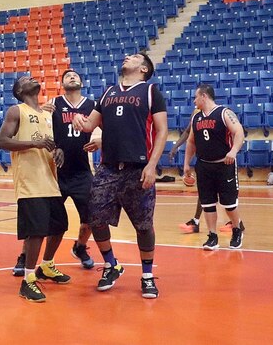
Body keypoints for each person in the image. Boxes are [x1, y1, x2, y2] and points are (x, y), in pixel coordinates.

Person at [72, 52, 167, 299]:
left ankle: (147, 276)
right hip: (108, 168)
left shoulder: (150, 91)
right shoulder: (108, 92)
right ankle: (111, 264)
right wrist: (78, 120)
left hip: (138, 168)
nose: (127, 57)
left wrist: (152, 165)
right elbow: (90, 125)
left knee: (144, 226)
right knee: (95, 218)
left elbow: (162, 131)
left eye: (134, 57)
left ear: (144, 68)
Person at [0, 75, 70, 303]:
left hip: (50, 181)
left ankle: (46, 266)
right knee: (36, 232)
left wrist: (58, 151)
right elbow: (2, 141)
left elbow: (48, 143)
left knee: (60, 227)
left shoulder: (47, 114)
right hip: (30, 183)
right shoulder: (16, 111)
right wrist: (34, 144)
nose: (32, 78)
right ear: (20, 90)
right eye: (26, 79)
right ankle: (27, 281)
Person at [39, 69, 101, 271]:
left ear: (81, 82)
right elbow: (40, 129)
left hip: (82, 171)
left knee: (93, 216)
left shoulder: (92, 106)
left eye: (75, 75)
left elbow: (107, 129)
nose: (72, 77)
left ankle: (80, 247)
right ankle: (26, 256)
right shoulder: (53, 104)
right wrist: (41, 111)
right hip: (56, 172)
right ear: (62, 84)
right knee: (46, 220)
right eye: (67, 76)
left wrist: (101, 141)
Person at [182, 85, 246, 251]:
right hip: (203, 165)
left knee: (229, 204)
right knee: (207, 203)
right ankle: (212, 236)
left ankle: (237, 229)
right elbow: (190, 141)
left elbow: (239, 132)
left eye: (196, 97)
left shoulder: (224, 113)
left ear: (204, 96)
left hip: (224, 164)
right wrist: (186, 164)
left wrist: (233, 151)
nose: (194, 101)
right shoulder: (196, 118)